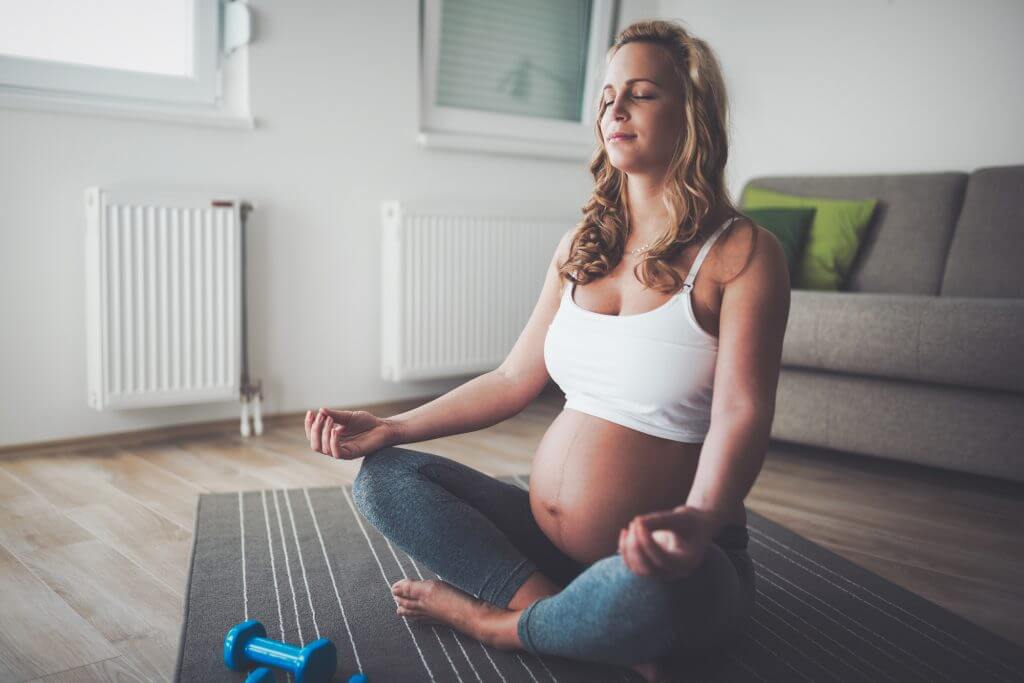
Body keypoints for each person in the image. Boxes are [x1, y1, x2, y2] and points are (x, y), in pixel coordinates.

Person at [304, 18, 789, 683]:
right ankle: (556, 612)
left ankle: (500, 623)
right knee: (387, 479)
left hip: (671, 563)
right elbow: (512, 377)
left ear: (693, 111)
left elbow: (742, 411)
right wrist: (391, 425)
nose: (614, 110)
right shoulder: (579, 248)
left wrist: (700, 519)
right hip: (548, 546)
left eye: (641, 93)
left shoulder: (741, 254)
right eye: (606, 97)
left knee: (650, 594)